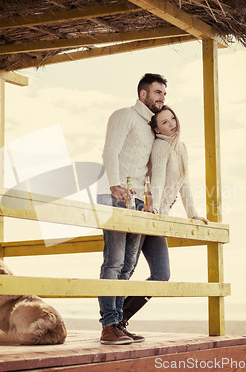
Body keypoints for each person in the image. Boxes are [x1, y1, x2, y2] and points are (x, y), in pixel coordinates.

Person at [120, 105, 208, 325]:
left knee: (161, 275)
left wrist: (193, 214)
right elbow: (157, 179)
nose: (172, 124)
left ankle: (121, 317)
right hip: (151, 215)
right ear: (157, 129)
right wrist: (155, 208)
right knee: (126, 268)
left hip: (161, 217)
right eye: (165, 123)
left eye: (173, 119)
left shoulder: (181, 147)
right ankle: (113, 321)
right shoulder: (160, 146)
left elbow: (184, 183)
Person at [98, 73, 167, 345]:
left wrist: (151, 201)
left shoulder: (150, 129)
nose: (162, 98)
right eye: (158, 92)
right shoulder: (123, 115)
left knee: (128, 265)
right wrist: (114, 184)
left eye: (164, 93)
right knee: (113, 262)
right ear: (143, 94)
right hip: (114, 195)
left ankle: (117, 323)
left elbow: (147, 170)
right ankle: (108, 326)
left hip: (138, 201)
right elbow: (110, 151)